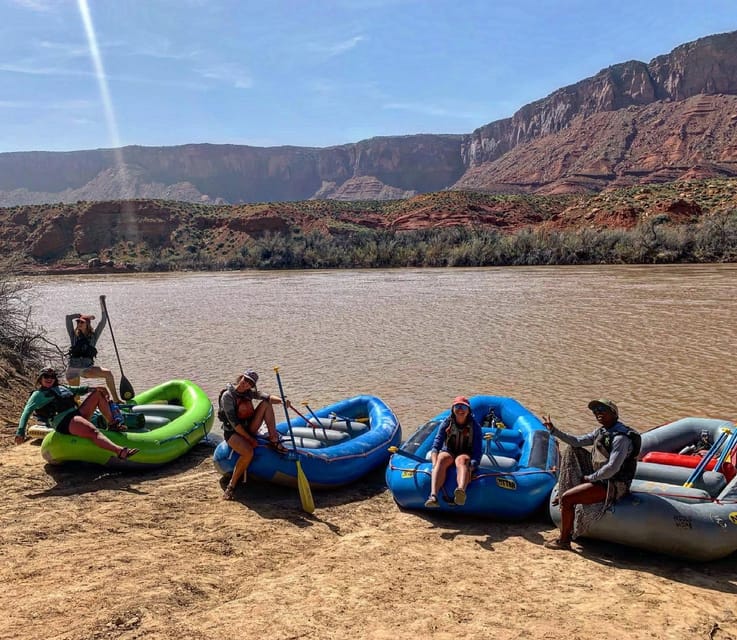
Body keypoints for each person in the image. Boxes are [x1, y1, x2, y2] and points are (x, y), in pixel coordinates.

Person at [542, 399, 641, 550]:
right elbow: (576, 441)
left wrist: (591, 478)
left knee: (568, 499)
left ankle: (564, 541)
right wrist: (554, 430)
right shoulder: (601, 432)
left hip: (614, 484)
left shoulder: (621, 438)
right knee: (571, 450)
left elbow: (612, 468)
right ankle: (569, 489)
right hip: (602, 478)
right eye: (595, 411)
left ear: (614, 413)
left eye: (602, 410)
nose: (598, 413)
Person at [14, 367, 138, 459]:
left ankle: (112, 424)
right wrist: (20, 431)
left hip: (76, 414)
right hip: (64, 422)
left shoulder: (61, 388)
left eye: (52, 377)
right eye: (46, 376)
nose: (49, 379)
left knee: (98, 394)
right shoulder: (38, 395)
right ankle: (120, 452)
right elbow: (26, 411)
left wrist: (96, 388)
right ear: (40, 379)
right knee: (93, 431)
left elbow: (79, 389)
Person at [218, 369, 291, 500]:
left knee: (266, 404)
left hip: (248, 427)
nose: (245, 384)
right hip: (233, 432)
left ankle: (274, 439)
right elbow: (234, 424)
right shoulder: (228, 396)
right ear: (241, 377)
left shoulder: (248, 393)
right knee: (248, 452)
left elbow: (267, 397)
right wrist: (249, 439)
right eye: (245, 380)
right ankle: (232, 486)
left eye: (249, 383)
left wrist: (282, 401)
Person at [424, 396, 482, 508]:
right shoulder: (447, 423)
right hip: (449, 451)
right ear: (453, 409)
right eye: (457, 406)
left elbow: (477, 450)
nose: (460, 410)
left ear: (468, 410)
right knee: (441, 458)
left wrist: (473, 465)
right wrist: (434, 463)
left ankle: (460, 490)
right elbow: (436, 444)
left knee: (462, 460)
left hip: (465, 452)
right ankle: (433, 496)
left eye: (464, 407)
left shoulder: (475, 427)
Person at [65, 295, 120, 403]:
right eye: (78, 322)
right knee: (76, 399)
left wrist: (102, 303)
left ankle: (117, 400)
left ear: (87, 324)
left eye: (82, 322)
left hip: (87, 369)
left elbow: (103, 321)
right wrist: (80, 315)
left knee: (108, 374)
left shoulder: (93, 337)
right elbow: (68, 318)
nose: (79, 324)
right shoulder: (73, 335)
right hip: (73, 370)